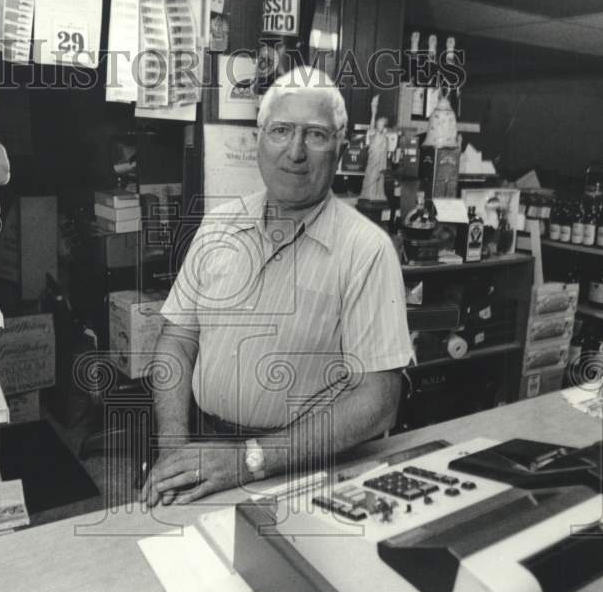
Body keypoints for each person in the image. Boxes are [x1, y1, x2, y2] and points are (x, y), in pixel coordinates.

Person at [140, 67, 413, 507]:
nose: (296, 151)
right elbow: (177, 339)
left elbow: (378, 401)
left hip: (301, 467)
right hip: (204, 450)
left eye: (316, 135)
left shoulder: (367, 251)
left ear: (340, 150)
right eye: (281, 130)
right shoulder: (216, 227)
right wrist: (174, 445)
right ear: (259, 140)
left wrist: (250, 459)